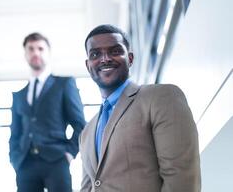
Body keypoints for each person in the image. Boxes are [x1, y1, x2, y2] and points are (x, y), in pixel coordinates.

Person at [79, 24, 201, 192]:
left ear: (130, 58)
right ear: (88, 65)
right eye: (95, 54)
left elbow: (181, 178)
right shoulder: (87, 131)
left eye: (114, 51)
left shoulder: (160, 97)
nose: (105, 58)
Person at [9, 32, 85, 192]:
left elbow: (80, 125)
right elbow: (15, 132)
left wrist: (70, 153)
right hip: (25, 163)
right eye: (31, 49)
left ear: (48, 53)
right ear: (25, 54)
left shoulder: (64, 84)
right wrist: (15, 158)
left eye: (40, 48)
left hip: (56, 160)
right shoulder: (19, 95)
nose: (35, 52)